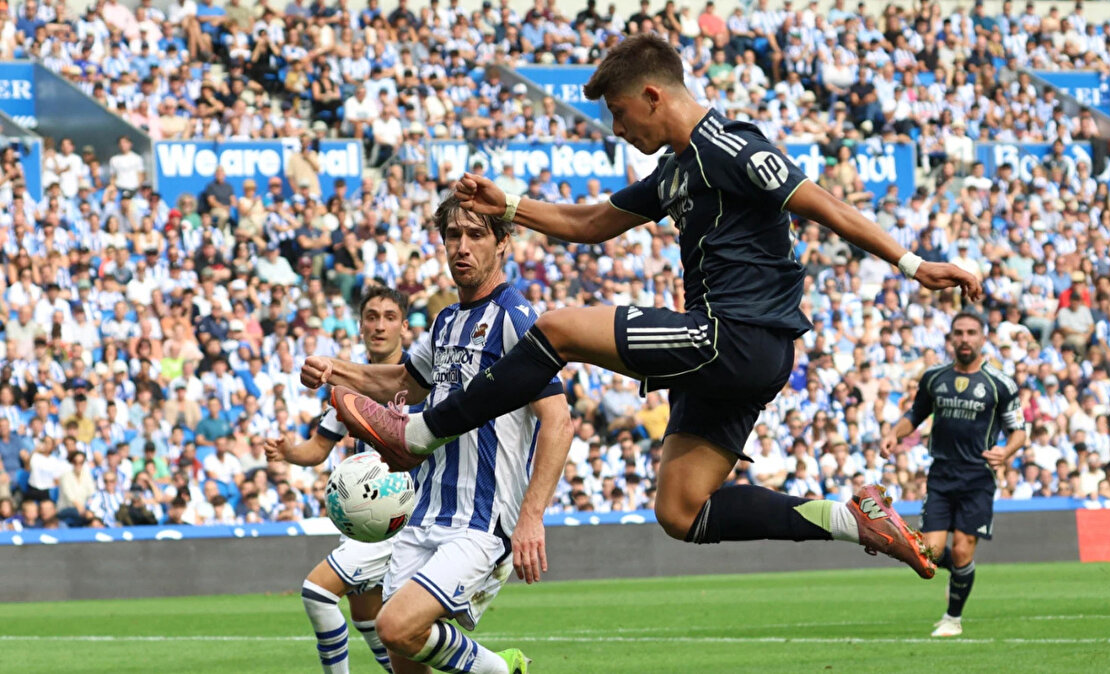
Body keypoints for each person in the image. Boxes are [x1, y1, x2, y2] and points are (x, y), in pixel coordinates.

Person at [304, 35, 979, 583]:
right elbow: (591, 222)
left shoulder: (730, 147)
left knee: (557, 328)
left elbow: (823, 205)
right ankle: (851, 520)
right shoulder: (676, 169)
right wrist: (505, 204)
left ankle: (422, 432)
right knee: (681, 510)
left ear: (654, 95)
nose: (620, 129)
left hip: (734, 337)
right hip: (739, 358)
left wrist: (916, 266)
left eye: (622, 114)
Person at [305, 196, 572, 674]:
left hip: (482, 520)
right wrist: (335, 369)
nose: (461, 247)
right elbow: (401, 383)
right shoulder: (447, 322)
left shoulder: (516, 318)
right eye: (453, 236)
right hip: (425, 514)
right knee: (403, 655)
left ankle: (500, 669)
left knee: (395, 627)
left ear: (503, 243)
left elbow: (558, 420)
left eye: (475, 235)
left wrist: (532, 517)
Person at [265, 286, 413, 674]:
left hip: (406, 518)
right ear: (360, 326)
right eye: (371, 317)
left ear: (404, 327)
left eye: (389, 317)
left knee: (317, 593)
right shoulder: (345, 386)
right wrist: (287, 452)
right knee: (369, 621)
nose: (379, 325)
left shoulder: (421, 381)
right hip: (370, 516)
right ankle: (495, 665)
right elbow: (317, 448)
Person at [881, 312, 1028, 638]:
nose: (965, 338)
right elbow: (915, 414)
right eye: (959, 332)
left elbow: (1019, 431)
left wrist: (1006, 451)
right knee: (929, 554)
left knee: (962, 549)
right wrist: (895, 434)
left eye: (971, 332)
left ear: (982, 338)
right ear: (951, 338)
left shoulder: (999, 383)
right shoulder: (934, 377)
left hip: (978, 477)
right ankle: (960, 573)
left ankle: (952, 618)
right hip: (941, 475)